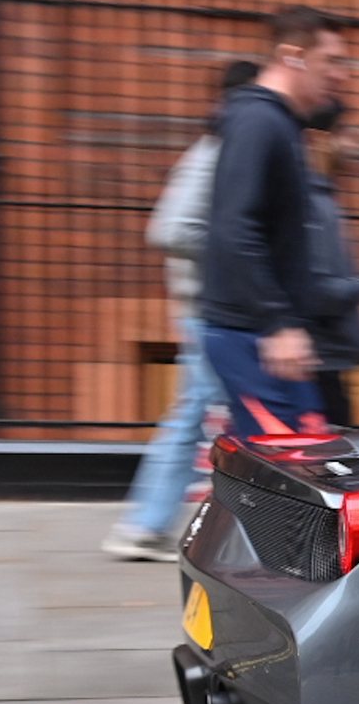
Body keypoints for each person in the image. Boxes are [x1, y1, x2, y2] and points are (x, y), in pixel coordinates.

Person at [102, 57, 255, 561]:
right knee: (199, 414)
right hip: (206, 307)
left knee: (209, 414)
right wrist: (229, 253)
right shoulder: (212, 155)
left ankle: (150, 523)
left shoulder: (222, 152)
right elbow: (167, 230)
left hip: (212, 305)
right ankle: (144, 524)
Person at [197, 7, 349, 440]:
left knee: (298, 470)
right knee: (285, 478)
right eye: (332, 61)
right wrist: (277, 323)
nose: (342, 76)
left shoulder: (278, 123)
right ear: (292, 55)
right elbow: (234, 228)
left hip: (267, 335)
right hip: (252, 336)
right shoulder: (258, 122)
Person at [300, 101, 359, 427]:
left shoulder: (321, 198)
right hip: (315, 366)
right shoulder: (309, 203)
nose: (354, 145)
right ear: (318, 138)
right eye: (345, 134)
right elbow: (316, 292)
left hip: (327, 362)